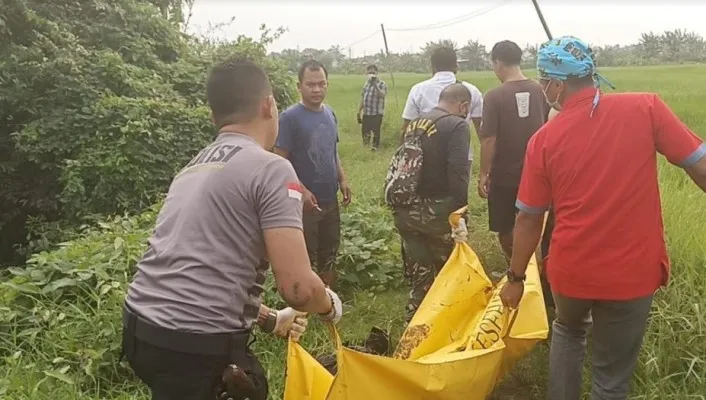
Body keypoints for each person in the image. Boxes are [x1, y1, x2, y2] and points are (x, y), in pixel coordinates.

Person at [121, 59, 343, 400]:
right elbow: (297, 288)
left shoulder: (193, 168)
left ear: (214, 118)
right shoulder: (272, 168)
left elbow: (199, 273)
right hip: (194, 345)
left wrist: (270, 319)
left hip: (141, 332)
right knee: (250, 386)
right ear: (269, 106)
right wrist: (328, 304)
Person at [499, 36, 706, 400]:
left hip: (571, 271)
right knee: (610, 381)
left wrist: (515, 278)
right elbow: (701, 166)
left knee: (568, 328)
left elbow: (529, 220)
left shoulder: (543, 140)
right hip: (632, 274)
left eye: (544, 81)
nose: (544, 89)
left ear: (557, 84)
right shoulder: (646, 108)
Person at [391, 83, 472, 323]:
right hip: (435, 213)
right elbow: (458, 172)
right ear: (463, 106)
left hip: (405, 211)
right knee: (450, 269)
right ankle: (449, 323)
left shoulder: (415, 123)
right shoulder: (457, 125)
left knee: (421, 271)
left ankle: (413, 324)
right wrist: (460, 214)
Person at [274, 60, 352, 290]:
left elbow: (332, 151)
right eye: (310, 85)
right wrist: (302, 191)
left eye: (321, 84)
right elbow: (280, 161)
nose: (317, 89)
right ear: (299, 86)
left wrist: (343, 179)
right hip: (303, 203)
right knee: (305, 254)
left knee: (330, 249)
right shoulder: (289, 118)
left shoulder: (330, 114)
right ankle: (305, 302)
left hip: (329, 198)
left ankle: (327, 299)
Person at [478, 40, 549, 258]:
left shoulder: (493, 96)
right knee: (536, 219)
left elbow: (489, 139)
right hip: (538, 170)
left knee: (505, 225)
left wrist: (483, 173)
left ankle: (517, 266)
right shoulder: (541, 90)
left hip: (505, 174)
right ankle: (535, 264)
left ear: (498, 63)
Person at [357, 64, 388, 150]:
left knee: (376, 133)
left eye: (373, 72)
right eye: (369, 72)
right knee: (365, 133)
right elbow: (363, 98)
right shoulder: (366, 84)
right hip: (367, 113)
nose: (371, 74)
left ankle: (375, 148)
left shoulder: (382, 84)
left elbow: (382, 95)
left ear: (377, 73)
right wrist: (359, 111)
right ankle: (365, 148)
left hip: (377, 113)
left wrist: (375, 85)